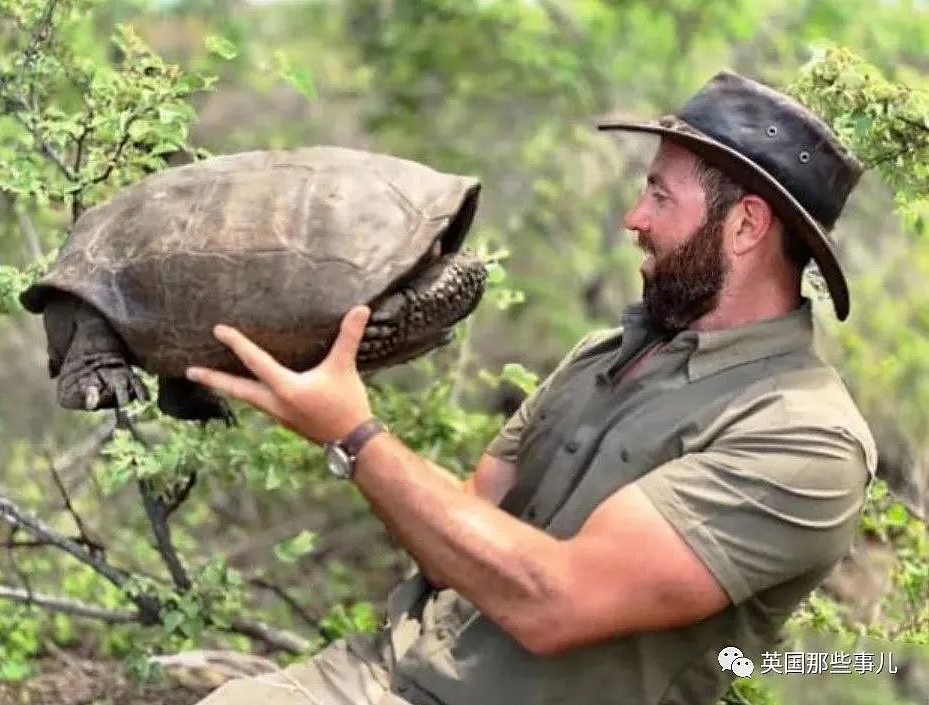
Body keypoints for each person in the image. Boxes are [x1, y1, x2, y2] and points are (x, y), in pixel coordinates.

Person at [186, 71, 877, 705]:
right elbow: (461, 520)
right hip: (383, 673)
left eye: (659, 194)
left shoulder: (804, 438)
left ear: (746, 224)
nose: (633, 219)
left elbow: (556, 602)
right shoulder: (602, 354)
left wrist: (355, 434)